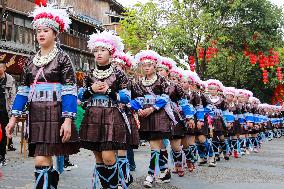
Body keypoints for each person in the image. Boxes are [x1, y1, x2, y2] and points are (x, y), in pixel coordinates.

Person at [5, 3, 79, 188]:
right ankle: (51, 182)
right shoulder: (30, 61)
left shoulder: (63, 58)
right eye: (38, 30)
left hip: (56, 112)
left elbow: (70, 90)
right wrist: (13, 119)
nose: (41, 34)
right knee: (42, 159)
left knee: (41, 160)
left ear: (55, 33)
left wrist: (68, 120)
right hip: (36, 114)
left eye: (46, 30)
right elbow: (23, 91)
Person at [79, 30, 130, 189]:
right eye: (96, 50)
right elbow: (81, 95)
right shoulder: (89, 74)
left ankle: (114, 186)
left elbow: (127, 96)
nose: (98, 53)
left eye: (102, 50)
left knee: (108, 156)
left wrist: (109, 92)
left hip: (111, 116)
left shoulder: (119, 73)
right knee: (98, 157)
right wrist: (91, 89)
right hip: (92, 116)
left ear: (111, 52)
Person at [0, 60, 16, 166]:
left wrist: (13, 112)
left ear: (4, 68)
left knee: (3, 134)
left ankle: (2, 156)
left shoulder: (9, 80)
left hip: (4, 111)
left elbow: (13, 96)